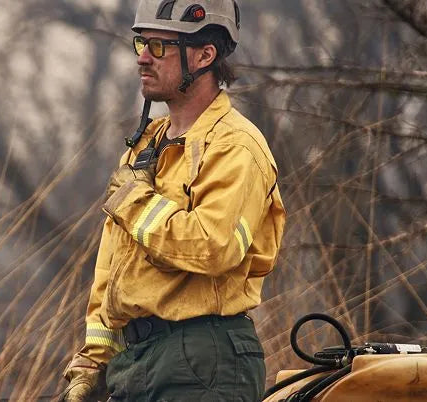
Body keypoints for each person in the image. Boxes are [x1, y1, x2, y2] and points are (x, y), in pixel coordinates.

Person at [61, 0, 285, 400]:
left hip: (203, 360)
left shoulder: (236, 147)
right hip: (135, 359)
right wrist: (93, 360)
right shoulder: (146, 146)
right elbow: (112, 267)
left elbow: (213, 247)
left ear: (204, 55)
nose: (143, 59)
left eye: (159, 47)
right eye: (141, 45)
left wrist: (134, 202)